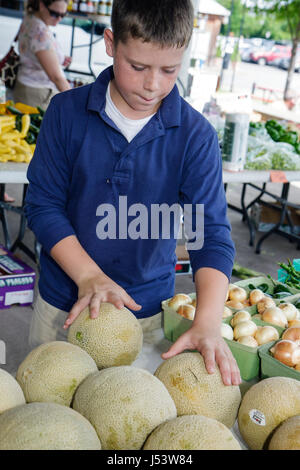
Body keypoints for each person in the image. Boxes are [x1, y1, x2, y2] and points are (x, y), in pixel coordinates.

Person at [24, 0, 241, 387]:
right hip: (62, 306)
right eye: (137, 67)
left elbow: (208, 237)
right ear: (110, 43)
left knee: (128, 424)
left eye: (169, 70)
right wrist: (89, 275)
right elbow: (43, 206)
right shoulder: (65, 113)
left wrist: (207, 321)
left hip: (145, 316)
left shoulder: (196, 137)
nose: (152, 84)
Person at [13, 0, 71, 110]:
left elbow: (36, 54)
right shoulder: (40, 31)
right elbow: (56, 77)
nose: (59, 19)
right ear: (42, 5)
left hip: (26, 88)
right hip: (37, 94)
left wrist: (59, 59)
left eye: (63, 15)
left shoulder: (30, 17)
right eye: (55, 14)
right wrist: (75, 101)